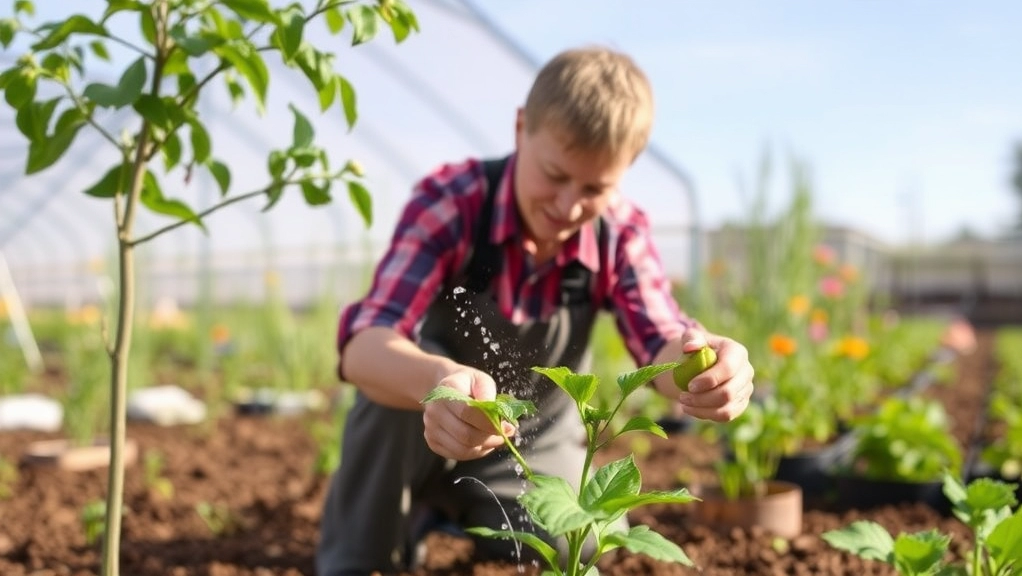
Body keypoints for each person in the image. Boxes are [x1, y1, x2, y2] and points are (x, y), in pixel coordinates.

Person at [317, 46, 755, 576]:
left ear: (626, 169)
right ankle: (378, 542)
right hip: (412, 432)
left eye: (594, 188)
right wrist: (440, 380)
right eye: (554, 174)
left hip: (527, 450)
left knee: (586, 544)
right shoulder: (453, 201)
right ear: (521, 127)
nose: (568, 206)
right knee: (391, 397)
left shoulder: (618, 230)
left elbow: (659, 335)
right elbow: (366, 344)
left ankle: (462, 513)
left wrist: (703, 369)